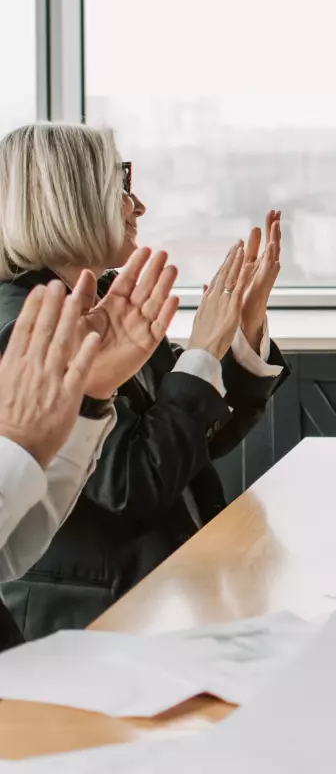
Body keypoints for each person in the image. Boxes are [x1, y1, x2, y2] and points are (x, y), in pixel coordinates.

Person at [0, 123, 289, 638]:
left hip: (166, 597)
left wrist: (235, 334)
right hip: (90, 626)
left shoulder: (109, 296)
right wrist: (202, 350)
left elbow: (195, 437)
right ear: (72, 200)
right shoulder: (24, 328)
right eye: (121, 186)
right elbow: (133, 483)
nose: (138, 207)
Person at [0, 257, 180, 650]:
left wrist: (91, 398)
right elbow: (133, 481)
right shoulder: (16, 320)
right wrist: (17, 445)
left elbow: (11, 551)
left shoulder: (87, 306)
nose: (136, 208)